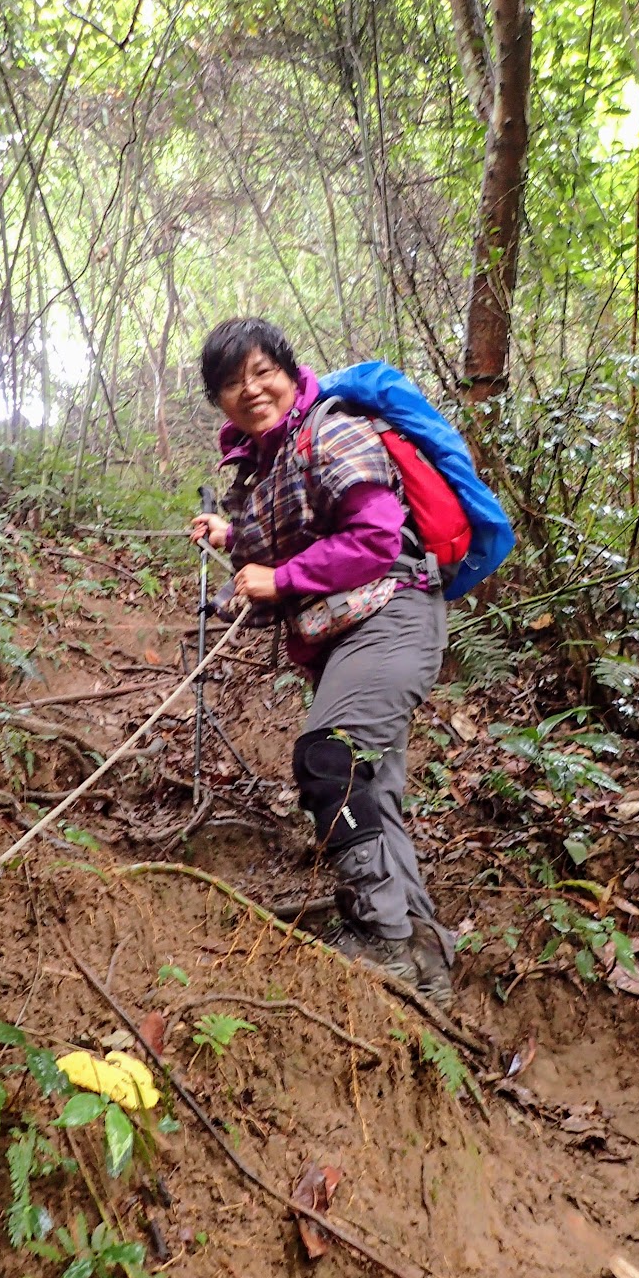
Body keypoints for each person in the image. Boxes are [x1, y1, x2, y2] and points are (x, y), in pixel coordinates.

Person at [190, 316, 454, 1003]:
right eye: (231, 383)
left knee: (329, 760)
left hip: (392, 615)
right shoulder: (271, 461)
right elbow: (288, 543)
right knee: (372, 793)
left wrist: (278, 578)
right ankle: (424, 965)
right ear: (218, 400)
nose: (251, 390)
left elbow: (373, 539)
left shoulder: (331, 430)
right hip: (354, 633)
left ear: (289, 371)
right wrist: (232, 544)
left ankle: (380, 937)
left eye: (262, 372)